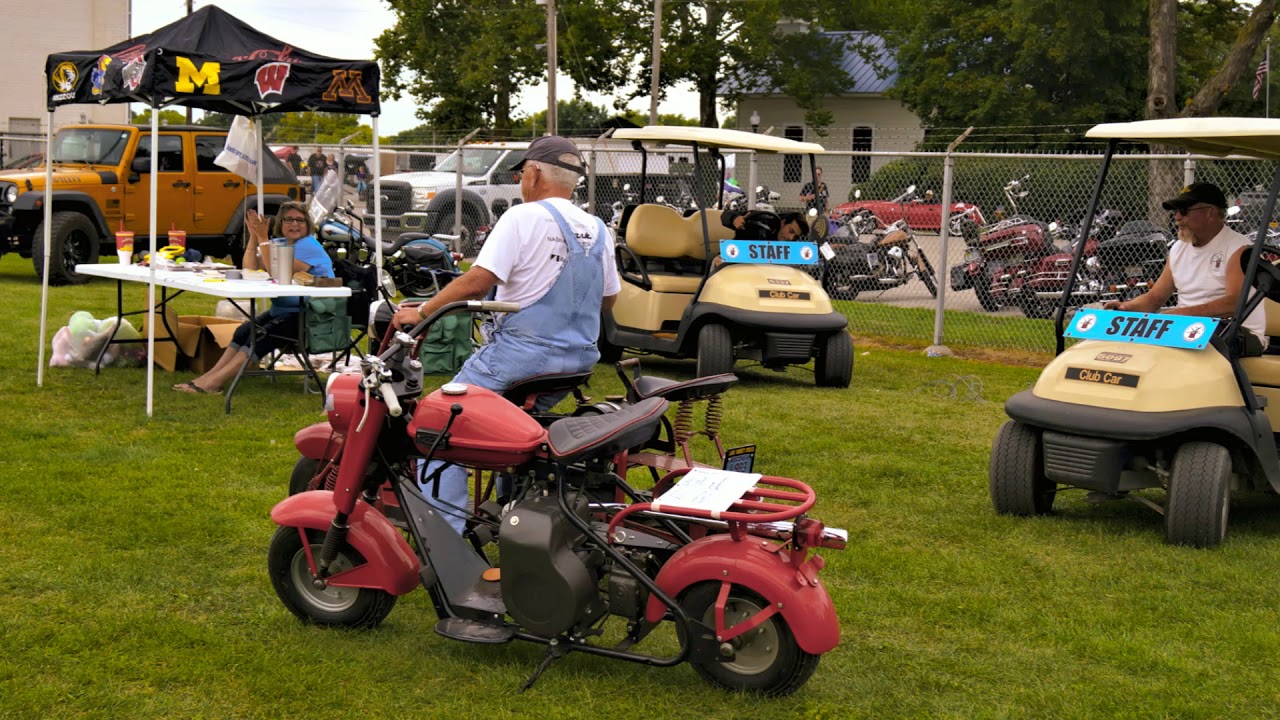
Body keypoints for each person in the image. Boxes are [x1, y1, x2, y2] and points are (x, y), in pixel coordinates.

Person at [390, 135, 619, 532]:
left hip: (522, 357)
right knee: (513, 432)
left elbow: (478, 281)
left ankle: (446, 536)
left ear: (532, 173)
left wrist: (423, 311)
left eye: (521, 175)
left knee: (436, 426)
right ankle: (512, 514)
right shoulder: (598, 229)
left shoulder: (521, 217)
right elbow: (608, 301)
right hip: (579, 361)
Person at [174, 203, 335, 394]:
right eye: (288, 219)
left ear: (308, 224)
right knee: (243, 332)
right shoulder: (282, 243)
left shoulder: (308, 245)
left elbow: (276, 272)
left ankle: (213, 383)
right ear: (280, 224)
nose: (295, 224)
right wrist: (253, 237)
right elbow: (249, 268)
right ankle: (207, 378)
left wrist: (263, 238)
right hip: (285, 310)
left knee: (261, 337)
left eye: (300, 220)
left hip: (312, 316)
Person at [1102, 182, 1267, 356]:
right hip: (1188, 328)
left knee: (1178, 342)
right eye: (1176, 211)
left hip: (1237, 332)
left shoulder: (1238, 247)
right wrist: (1125, 308)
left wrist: (1178, 315)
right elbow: (1155, 298)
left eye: (1184, 211)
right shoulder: (1178, 248)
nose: (1177, 218)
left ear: (1210, 212)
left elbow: (1234, 304)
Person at [720, 208, 809, 241]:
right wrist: (735, 219)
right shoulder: (763, 220)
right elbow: (725, 215)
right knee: (718, 261)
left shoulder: (790, 250)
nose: (790, 238)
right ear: (783, 222)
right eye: (791, 231)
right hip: (736, 259)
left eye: (795, 237)